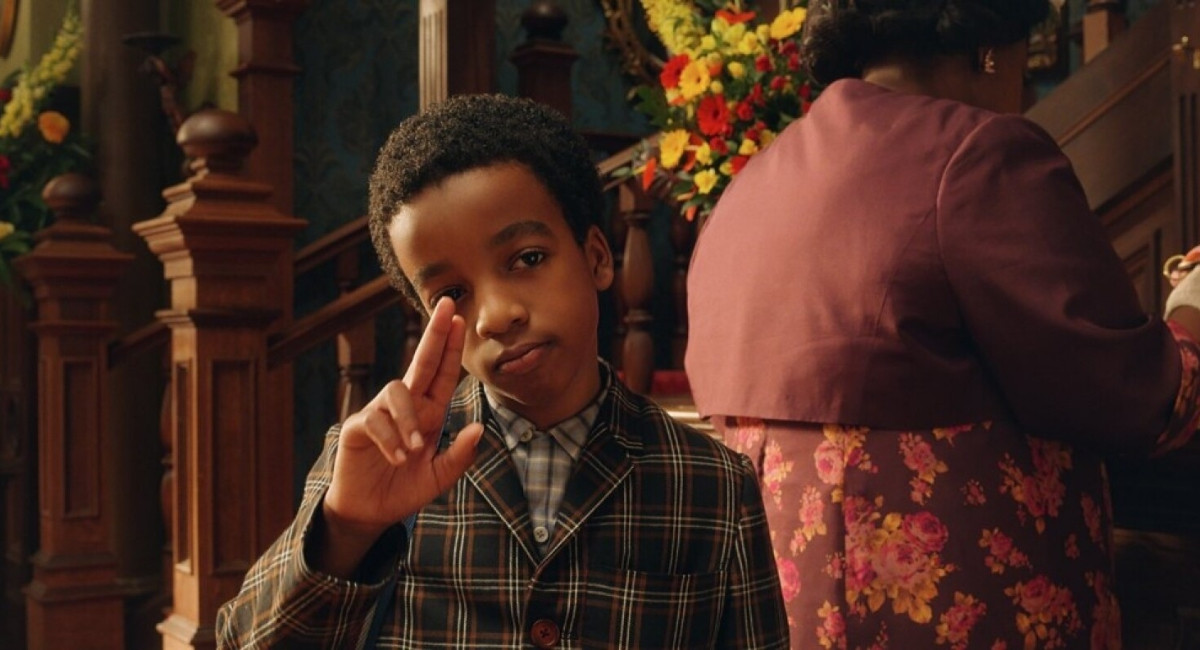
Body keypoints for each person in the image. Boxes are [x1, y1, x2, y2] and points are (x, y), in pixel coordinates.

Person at [685, 1, 1200, 648]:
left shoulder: (750, 185)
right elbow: (1132, 393)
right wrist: (1191, 307)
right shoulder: (982, 153)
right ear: (991, 48)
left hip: (778, 618)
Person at [216, 94, 789, 649]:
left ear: (596, 256)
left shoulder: (715, 483)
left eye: (527, 259)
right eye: (452, 293)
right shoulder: (374, 461)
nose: (495, 315)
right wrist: (344, 529)